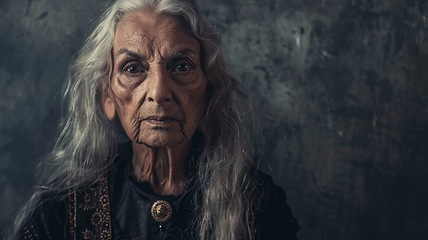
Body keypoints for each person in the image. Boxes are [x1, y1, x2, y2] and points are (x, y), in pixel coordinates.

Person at [9, 0, 299, 239]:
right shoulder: (58, 214)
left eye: (182, 66)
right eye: (133, 68)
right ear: (107, 98)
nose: (159, 92)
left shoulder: (256, 205)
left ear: (208, 91)